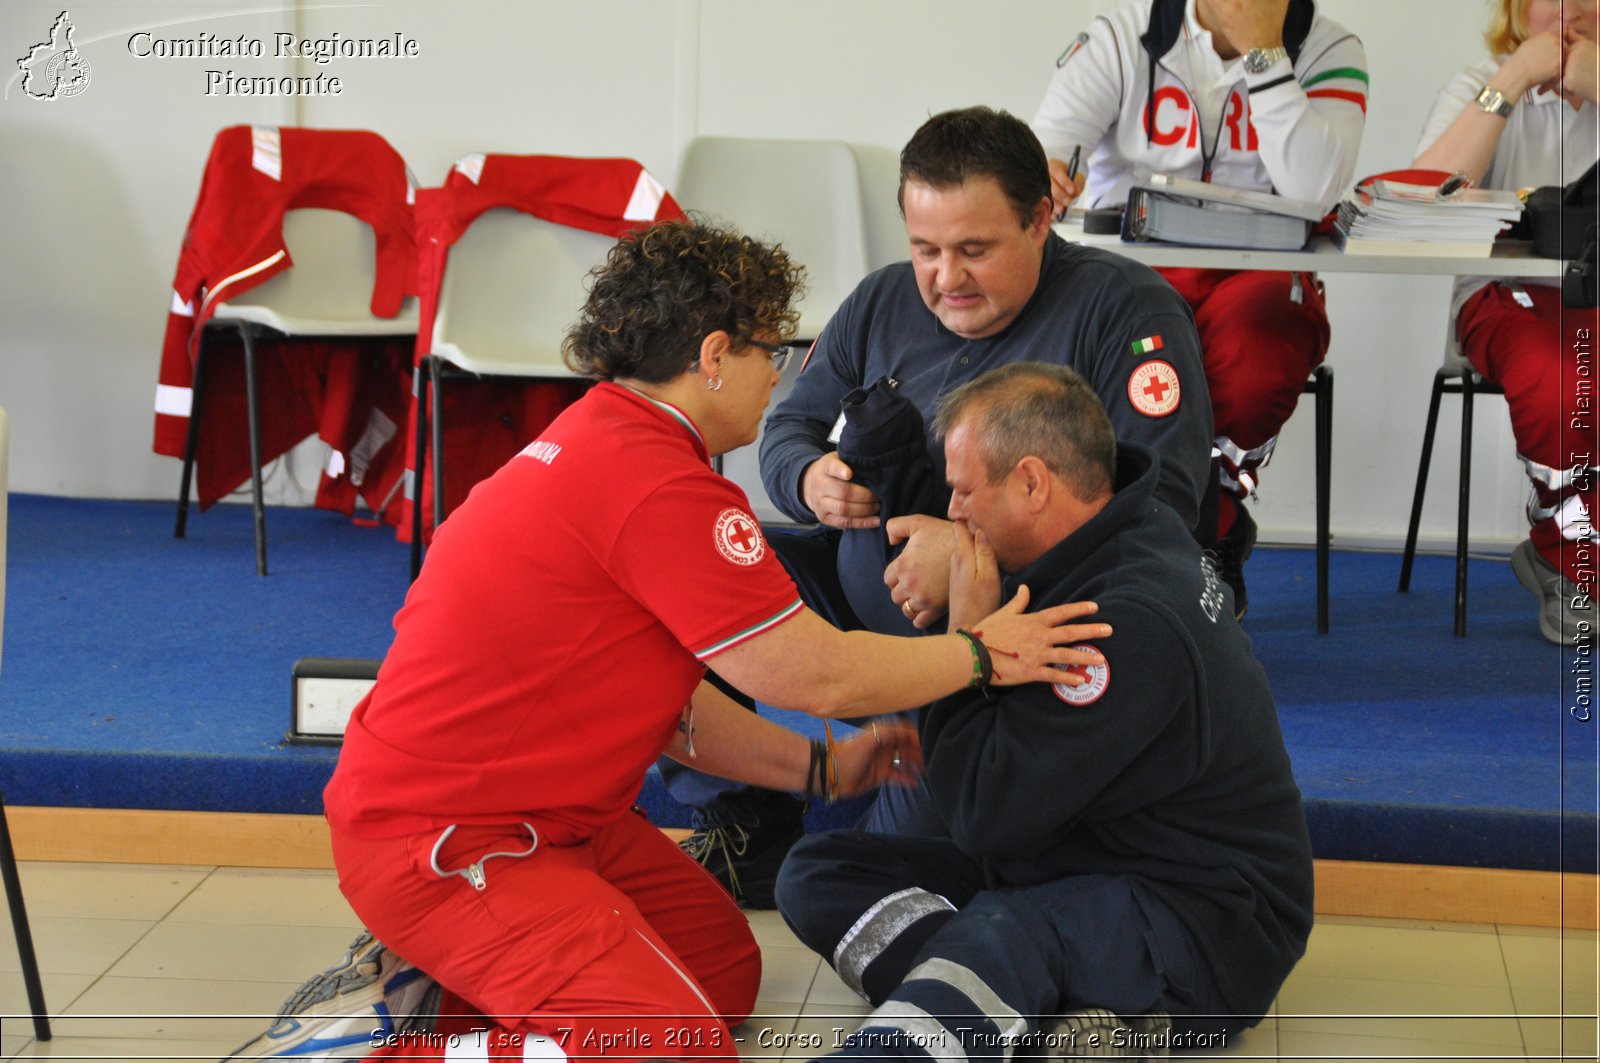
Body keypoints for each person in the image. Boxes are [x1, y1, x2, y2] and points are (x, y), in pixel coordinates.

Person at [226, 220, 1110, 1063]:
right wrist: (985, 652)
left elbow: (668, 700)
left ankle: (454, 983)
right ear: (716, 356)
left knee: (721, 974)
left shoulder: (603, 438)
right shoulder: (659, 489)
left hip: (553, 823)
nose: (782, 375)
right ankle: (373, 1043)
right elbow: (816, 672)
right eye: (773, 350)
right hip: (456, 840)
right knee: (675, 1043)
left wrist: (819, 772)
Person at [669, 106, 1214, 894]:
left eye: (974, 250)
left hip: (1006, 643)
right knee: (686, 576)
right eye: (925, 249)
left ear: (1039, 219)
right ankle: (743, 821)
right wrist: (809, 479)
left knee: (891, 880)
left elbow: (1162, 511)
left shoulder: (1126, 310)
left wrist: (968, 560)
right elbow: (789, 423)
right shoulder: (882, 300)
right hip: (858, 596)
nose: (947, 279)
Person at [775, 362, 1314, 1059]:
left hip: (1206, 923)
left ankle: (1022, 1000)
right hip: (1080, 860)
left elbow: (977, 815)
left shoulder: (1122, 622)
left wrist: (967, 638)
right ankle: (1052, 1018)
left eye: (964, 491)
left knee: (1004, 931)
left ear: (1032, 482)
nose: (954, 514)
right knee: (819, 871)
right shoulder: (1125, 519)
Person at [1032, 0, 1370, 616]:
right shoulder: (1124, 32)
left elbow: (1316, 189)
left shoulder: (1330, 47)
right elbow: (1052, 143)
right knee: (1133, 353)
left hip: (1260, 270)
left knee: (1257, 341)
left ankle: (1211, 529)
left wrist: (1264, 52)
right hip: (1137, 265)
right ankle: (1125, 539)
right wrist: (1052, 169)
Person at [1412, 0, 1599, 645]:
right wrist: (1512, 81)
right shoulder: (1480, 84)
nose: (1572, 8)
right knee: (1564, 376)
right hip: (1505, 294)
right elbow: (1423, 201)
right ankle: (1570, 563)